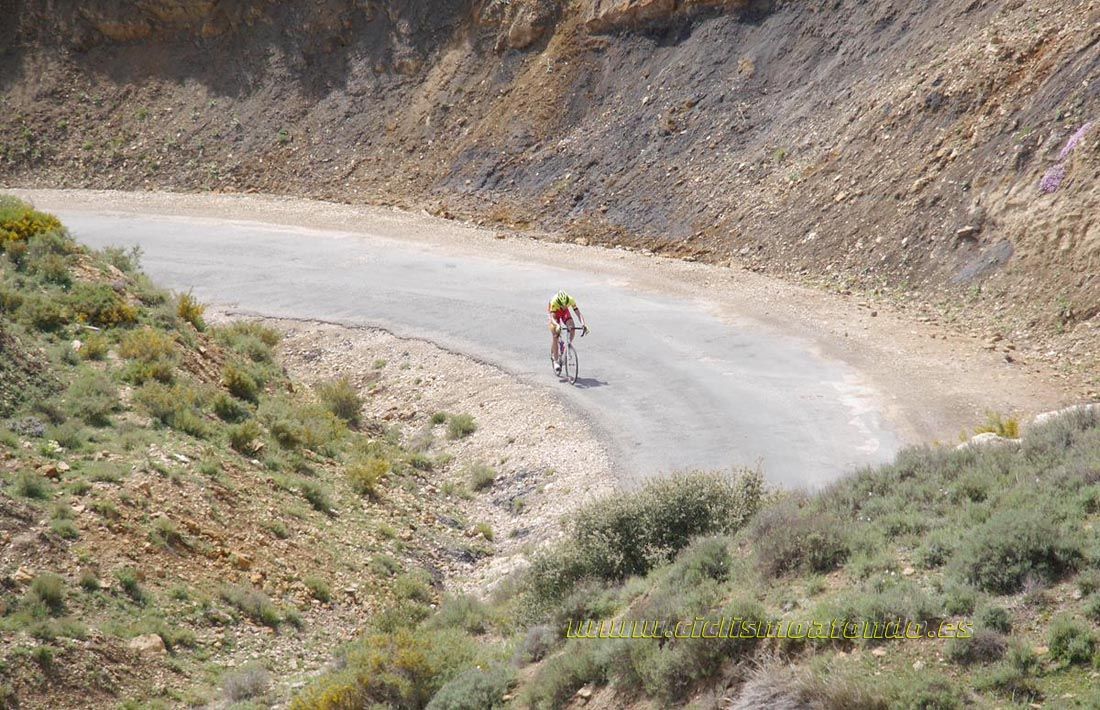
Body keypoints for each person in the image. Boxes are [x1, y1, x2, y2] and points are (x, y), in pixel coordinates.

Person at [548, 290, 588, 373]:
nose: (564, 306)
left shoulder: (570, 300)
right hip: (555, 312)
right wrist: (557, 325)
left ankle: (568, 347)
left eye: (565, 305)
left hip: (564, 313)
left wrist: (583, 324)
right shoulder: (554, 301)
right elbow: (552, 318)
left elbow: (578, 313)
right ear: (559, 302)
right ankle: (555, 361)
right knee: (555, 334)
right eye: (562, 305)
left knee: (572, 327)